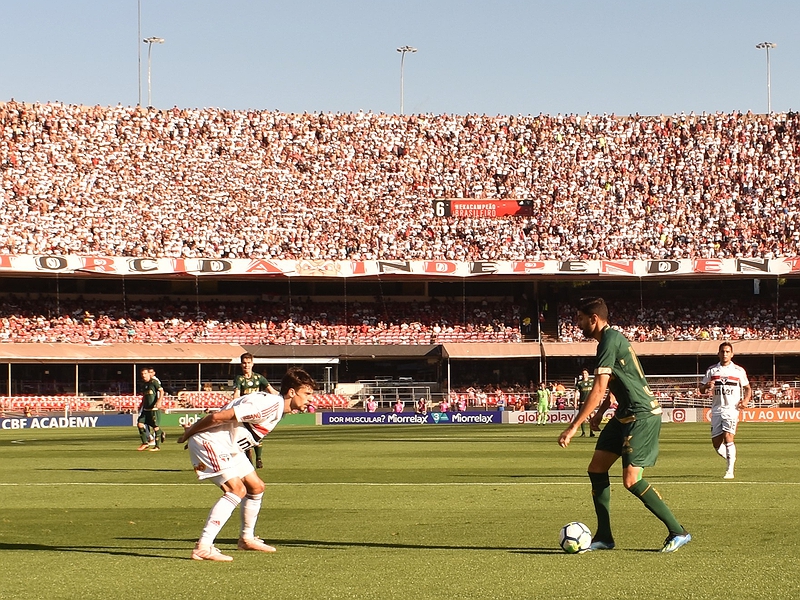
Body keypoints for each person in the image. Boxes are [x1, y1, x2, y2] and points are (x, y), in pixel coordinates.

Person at [558, 297, 691, 553]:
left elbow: (597, 389)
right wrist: (601, 414)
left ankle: (679, 531)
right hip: (624, 415)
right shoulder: (609, 340)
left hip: (641, 415)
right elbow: (614, 384)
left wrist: (574, 426)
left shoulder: (609, 340)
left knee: (631, 480)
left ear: (593, 319)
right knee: (596, 468)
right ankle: (605, 537)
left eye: (580, 318)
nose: (577, 323)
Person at [177, 367, 316, 561]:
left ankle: (246, 539)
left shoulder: (275, 406)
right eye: (307, 394)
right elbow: (218, 417)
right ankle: (204, 546)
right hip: (212, 442)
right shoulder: (268, 405)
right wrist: (189, 433)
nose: (311, 399)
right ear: (292, 392)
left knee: (256, 487)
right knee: (236, 490)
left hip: (229, 446)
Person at [699, 342, 751, 480]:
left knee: (728, 437)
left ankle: (730, 470)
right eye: (722, 351)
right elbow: (701, 388)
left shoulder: (738, 371)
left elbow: (747, 388)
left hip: (731, 409)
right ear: (718, 353)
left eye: (727, 351)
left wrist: (745, 401)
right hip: (716, 410)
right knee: (716, 444)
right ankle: (730, 457)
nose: (725, 354)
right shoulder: (712, 370)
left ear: (732, 354)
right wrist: (707, 386)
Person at [233, 353, 278, 469]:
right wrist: (234, 404)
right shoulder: (239, 379)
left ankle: (258, 459)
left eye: (248, 363)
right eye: (244, 363)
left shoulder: (259, 378)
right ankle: (248, 460)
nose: (246, 365)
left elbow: (271, 391)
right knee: (245, 436)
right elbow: (237, 393)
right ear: (241, 364)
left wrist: (281, 400)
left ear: (252, 364)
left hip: (257, 410)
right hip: (244, 412)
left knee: (258, 436)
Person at [137, 367, 163, 451]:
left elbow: (161, 391)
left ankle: (157, 447)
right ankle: (145, 443)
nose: (143, 375)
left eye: (145, 373)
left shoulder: (154, 382)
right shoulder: (144, 384)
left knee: (155, 427)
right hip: (146, 409)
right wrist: (141, 405)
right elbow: (145, 396)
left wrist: (159, 402)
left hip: (153, 409)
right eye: (142, 374)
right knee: (140, 424)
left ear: (149, 374)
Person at [575, 369, 595, 437]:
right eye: (583, 373)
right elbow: (576, 392)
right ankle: (583, 432)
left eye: (585, 373)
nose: (584, 374)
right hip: (582, 402)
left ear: (588, 374)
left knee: (591, 417)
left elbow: (595, 391)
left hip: (590, 402)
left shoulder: (592, 381)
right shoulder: (579, 383)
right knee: (582, 418)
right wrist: (575, 402)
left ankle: (591, 432)